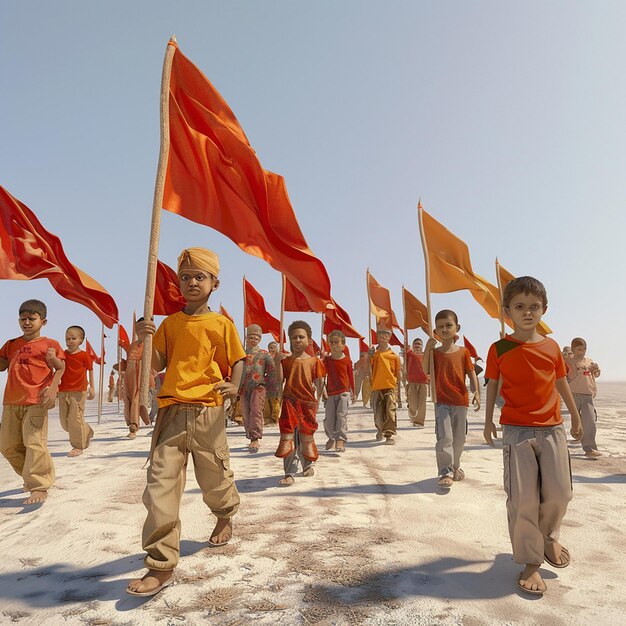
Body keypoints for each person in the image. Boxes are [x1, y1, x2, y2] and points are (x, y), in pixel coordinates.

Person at [126, 248, 245, 597]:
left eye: (200, 277)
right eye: (186, 277)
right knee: (160, 484)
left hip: (208, 410)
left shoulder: (222, 324)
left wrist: (234, 385)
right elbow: (157, 360)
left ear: (214, 283)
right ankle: (160, 564)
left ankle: (224, 513)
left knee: (214, 475)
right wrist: (142, 337)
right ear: (179, 283)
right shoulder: (169, 324)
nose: (192, 282)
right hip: (172, 412)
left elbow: (237, 359)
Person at [484, 276, 583, 596]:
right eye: (520, 307)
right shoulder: (498, 349)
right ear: (507, 312)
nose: (527, 312)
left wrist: (576, 415)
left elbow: (561, 382)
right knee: (524, 498)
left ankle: (549, 538)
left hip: (553, 429)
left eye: (534, 307)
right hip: (517, 431)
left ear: (544, 310)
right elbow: (493, 388)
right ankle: (530, 561)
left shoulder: (553, 347)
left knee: (560, 492)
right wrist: (487, 421)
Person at [0, 299, 65, 504]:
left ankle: (39, 485)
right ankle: (31, 476)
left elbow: (60, 368)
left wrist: (53, 390)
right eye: (23, 319)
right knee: (8, 445)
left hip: (36, 399)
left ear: (43, 321)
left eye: (31, 319)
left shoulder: (50, 344)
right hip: (11, 401)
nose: (26, 322)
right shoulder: (11, 344)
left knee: (34, 442)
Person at [424, 310, 479, 488]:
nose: (445, 329)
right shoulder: (435, 353)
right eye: (440, 327)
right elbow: (426, 369)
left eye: (449, 325)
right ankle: (445, 472)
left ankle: (456, 466)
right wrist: (427, 349)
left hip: (460, 401)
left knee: (459, 439)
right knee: (445, 437)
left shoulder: (463, 352)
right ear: (435, 331)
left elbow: (471, 372)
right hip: (442, 401)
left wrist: (476, 391)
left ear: (457, 328)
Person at [274, 320, 325, 486]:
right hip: (289, 402)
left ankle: (307, 465)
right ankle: (289, 472)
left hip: (307, 404)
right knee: (288, 437)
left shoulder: (314, 361)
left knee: (306, 436)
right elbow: (280, 381)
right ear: (289, 339)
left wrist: (318, 398)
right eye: (294, 337)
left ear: (308, 340)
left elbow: (319, 381)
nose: (297, 340)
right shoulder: (286, 361)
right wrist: (277, 362)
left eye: (301, 337)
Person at [239, 324, 279, 452]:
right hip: (244, 388)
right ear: (247, 337)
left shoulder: (264, 355)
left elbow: (272, 372)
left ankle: (255, 438)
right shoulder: (240, 353)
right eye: (251, 337)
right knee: (245, 412)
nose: (253, 339)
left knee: (256, 411)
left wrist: (272, 389)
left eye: (256, 337)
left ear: (260, 339)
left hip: (259, 387)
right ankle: (249, 434)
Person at [57, 325, 95, 457]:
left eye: (73, 338)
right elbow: (57, 370)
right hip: (63, 391)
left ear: (81, 340)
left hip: (79, 391)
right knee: (65, 423)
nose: (69, 341)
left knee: (75, 420)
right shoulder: (62, 354)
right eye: (67, 338)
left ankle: (78, 446)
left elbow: (90, 370)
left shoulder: (84, 355)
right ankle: (87, 430)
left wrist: (92, 388)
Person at [565, 337, 601, 457]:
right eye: (579, 349)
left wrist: (596, 370)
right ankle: (576, 434)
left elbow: (596, 374)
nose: (582, 351)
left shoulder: (589, 361)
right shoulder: (569, 361)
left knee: (590, 421)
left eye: (584, 348)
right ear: (573, 349)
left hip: (587, 395)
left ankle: (589, 448)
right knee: (577, 420)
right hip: (573, 395)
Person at [323, 330, 355, 452]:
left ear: (343, 345)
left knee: (341, 415)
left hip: (344, 392)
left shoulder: (346, 360)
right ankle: (331, 437)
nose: (334, 345)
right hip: (331, 393)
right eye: (331, 342)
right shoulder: (327, 360)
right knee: (329, 418)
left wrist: (354, 392)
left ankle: (340, 439)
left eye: (337, 342)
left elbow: (351, 376)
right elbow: (321, 375)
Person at [369, 327, 401, 445]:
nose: (383, 338)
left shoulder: (394, 356)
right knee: (378, 412)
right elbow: (369, 369)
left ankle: (389, 434)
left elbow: (397, 372)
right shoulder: (374, 355)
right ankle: (380, 429)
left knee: (390, 410)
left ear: (389, 338)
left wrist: (397, 389)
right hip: (377, 386)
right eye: (381, 335)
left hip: (389, 386)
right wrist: (369, 357)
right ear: (377, 338)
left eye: (386, 336)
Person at [121, 339, 150, 438]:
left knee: (136, 398)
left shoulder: (149, 344)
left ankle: (134, 426)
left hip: (140, 371)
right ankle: (130, 421)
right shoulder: (133, 345)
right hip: (129, 371)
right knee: (127, 397)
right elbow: (128, 357)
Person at [404, 337, 429, 427]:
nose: (417, 345)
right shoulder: (409, 354)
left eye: (419, 344)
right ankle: (412, 414)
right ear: (413, 346)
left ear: (422, 346)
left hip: (423, 382)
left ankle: (419, 422)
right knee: (413, 403)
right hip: (412, 382)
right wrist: (405, 346)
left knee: (422, 404)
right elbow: (404, 351)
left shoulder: (426, 355)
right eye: (416, 344)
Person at [264, 341, 282, 425]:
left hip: (277, 381)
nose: (271, 349)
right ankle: (268, 418)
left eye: (273, 347)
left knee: (275, 400)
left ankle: (275, 418)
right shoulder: (267, 357)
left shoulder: (280, 357)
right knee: (268, 400)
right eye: (270, 348)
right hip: (268, 381)